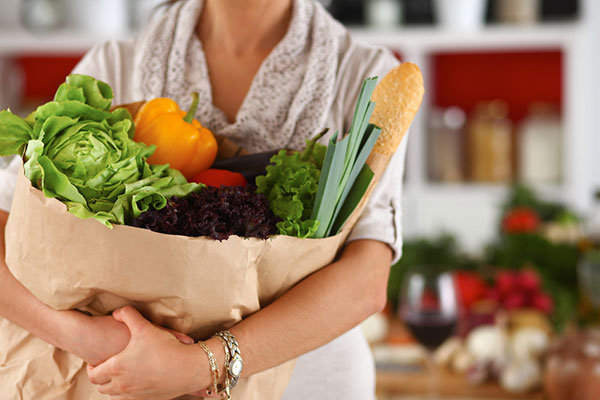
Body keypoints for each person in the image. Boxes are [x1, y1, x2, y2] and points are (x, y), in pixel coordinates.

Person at [0, 0, 408, 398]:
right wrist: (85, 337)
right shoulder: (116, 66)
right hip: (124, 379)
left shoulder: (364, 75)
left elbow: (366, 279)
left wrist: (198, 366)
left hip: (308, 381)